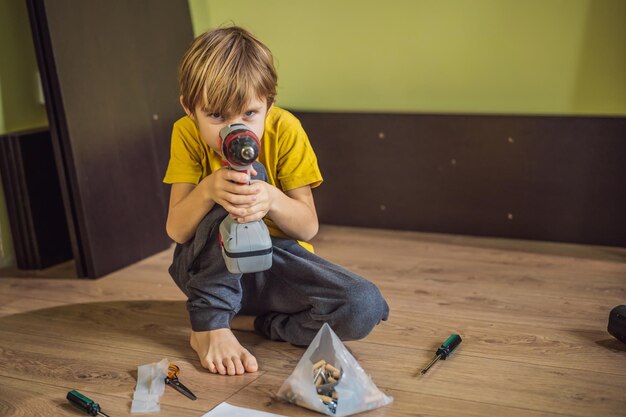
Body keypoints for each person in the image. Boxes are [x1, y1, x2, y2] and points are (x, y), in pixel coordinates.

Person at [163, 26, 389, 376]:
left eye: (250, 114)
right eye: (217, 116)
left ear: (269, 103)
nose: (235, 130)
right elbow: (177, 231)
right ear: (189, 109)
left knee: (363, 306)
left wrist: (270, 199)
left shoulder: (286, 129)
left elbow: (307, 227)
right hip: (207, 268)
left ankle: (253, 324)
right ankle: (209, 325)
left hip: (275, 266)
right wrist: (209, 188)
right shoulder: (185, 132)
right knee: (240, 179)